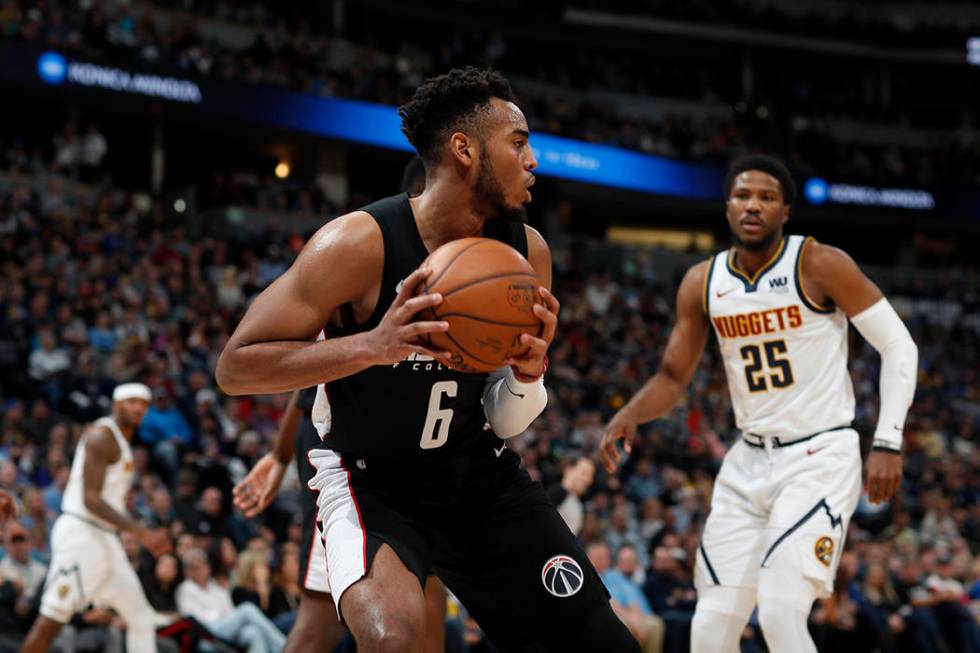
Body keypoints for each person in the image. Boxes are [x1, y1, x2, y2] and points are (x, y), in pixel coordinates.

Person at [218, 67, 638, 652]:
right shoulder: (358, 244)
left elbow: (506, 418)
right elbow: (236, 366)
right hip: (367, 478)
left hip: (473, 473)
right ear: (464, 149)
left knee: (599, 642)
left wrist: (527, 377)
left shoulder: (526, 254)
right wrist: (374, 344)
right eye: (518, 142)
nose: (534, 160)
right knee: (394, 641)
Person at [600, 154, 918, 653]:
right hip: (747, 461)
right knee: (708, 629)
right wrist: (629, 413)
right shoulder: (702, 282)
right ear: (727, 207)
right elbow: (672, 376)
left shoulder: (818, 263)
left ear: (785, 211)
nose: (753, 205)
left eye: (766, 197)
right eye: (743, 195)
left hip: (820, 455)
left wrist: (888, 440)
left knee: (779, 610)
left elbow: (900, 345)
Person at [22, 383, 172, 653]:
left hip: (103, 537)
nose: (139, 408)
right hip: (82, 533)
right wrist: (141, 533)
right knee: (52, 620)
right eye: (132, 401)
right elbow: (91, 500)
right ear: (117, 404)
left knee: (141, 616)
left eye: (144, 403)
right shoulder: (102, 436)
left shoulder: (122, 440)